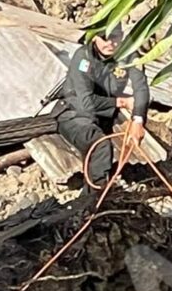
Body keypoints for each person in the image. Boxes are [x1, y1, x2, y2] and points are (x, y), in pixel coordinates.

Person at [56, 23, 150, 184]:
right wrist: (121, 101)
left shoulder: (128, 56)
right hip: (74, 115)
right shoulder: (83, 57)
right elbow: (86, 102)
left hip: (104, 117)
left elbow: (141, 88)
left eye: (114, 38)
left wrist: (138, 120)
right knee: (101, 146)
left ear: (121, 37)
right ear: (95, 38)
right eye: (104, 38)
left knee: (96, 162)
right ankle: (96, 197)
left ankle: (92, 195)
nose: (109, 43)